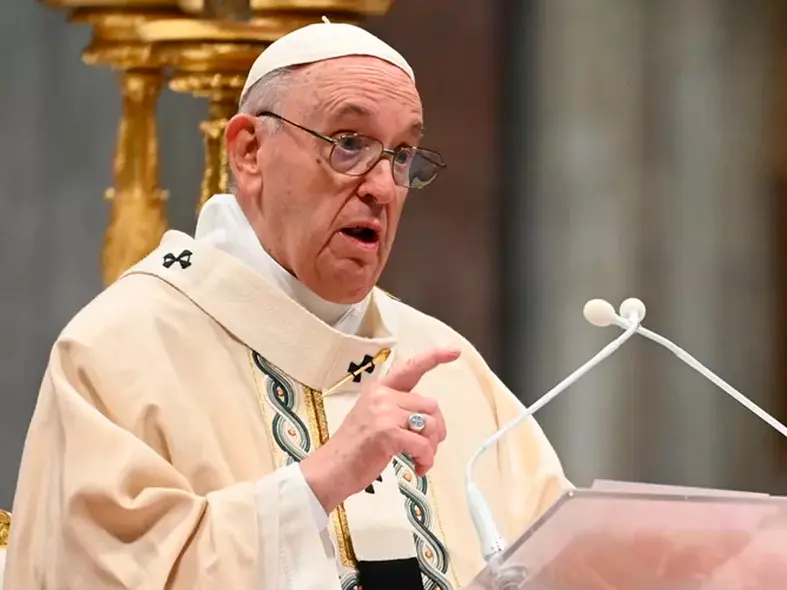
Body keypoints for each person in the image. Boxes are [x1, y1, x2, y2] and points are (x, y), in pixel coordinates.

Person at [3, 20, 571, 590]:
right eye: (349, 144)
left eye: (402, 155)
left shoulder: (450, 369)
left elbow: (564, 556)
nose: (381, 187)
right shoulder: (120, 350)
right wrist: (317, 484)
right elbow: (87, 571)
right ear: (249, 151)